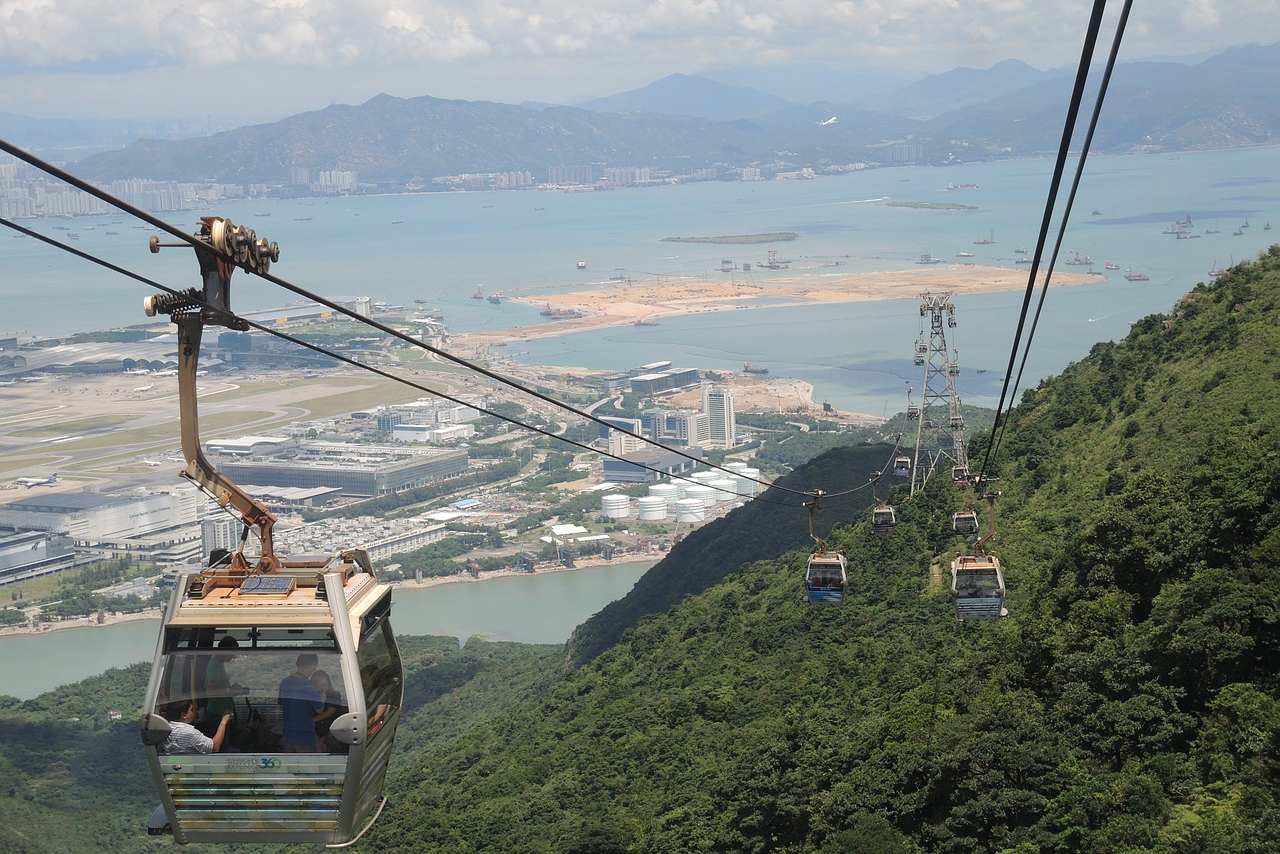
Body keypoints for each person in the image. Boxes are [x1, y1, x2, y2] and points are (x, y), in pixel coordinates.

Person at [278, 653, 325, 752]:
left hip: (287, 735)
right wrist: (322, 693)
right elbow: (320, 709)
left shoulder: (284, 682)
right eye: (315, 667)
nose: (314, 669)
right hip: (305, 736)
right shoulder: (309, 686)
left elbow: (282, 705)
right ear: (312, 665)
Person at [161, 700, 231, 754]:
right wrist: (224, 721)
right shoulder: (189, 733)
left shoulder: (164, 728)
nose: (195, 712)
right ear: (184, 715)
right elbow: (215, 747)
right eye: (191, 710)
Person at [204, 636, 240, 721]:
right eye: (232, 653)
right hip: (217, 714)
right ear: (225, 651)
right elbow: (211, 692)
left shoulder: (219, 664)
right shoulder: (214, 666)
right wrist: (231, 691)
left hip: (223, 713)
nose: (233, 656)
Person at [311, 669, 346, 752]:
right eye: (316, 681)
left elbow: (329, 713)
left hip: (329, 727)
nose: (319, 683)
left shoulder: (334, 694)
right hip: (316, 727)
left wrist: (311, 720)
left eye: (320, 680)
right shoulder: (315, 695)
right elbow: (318, 710)